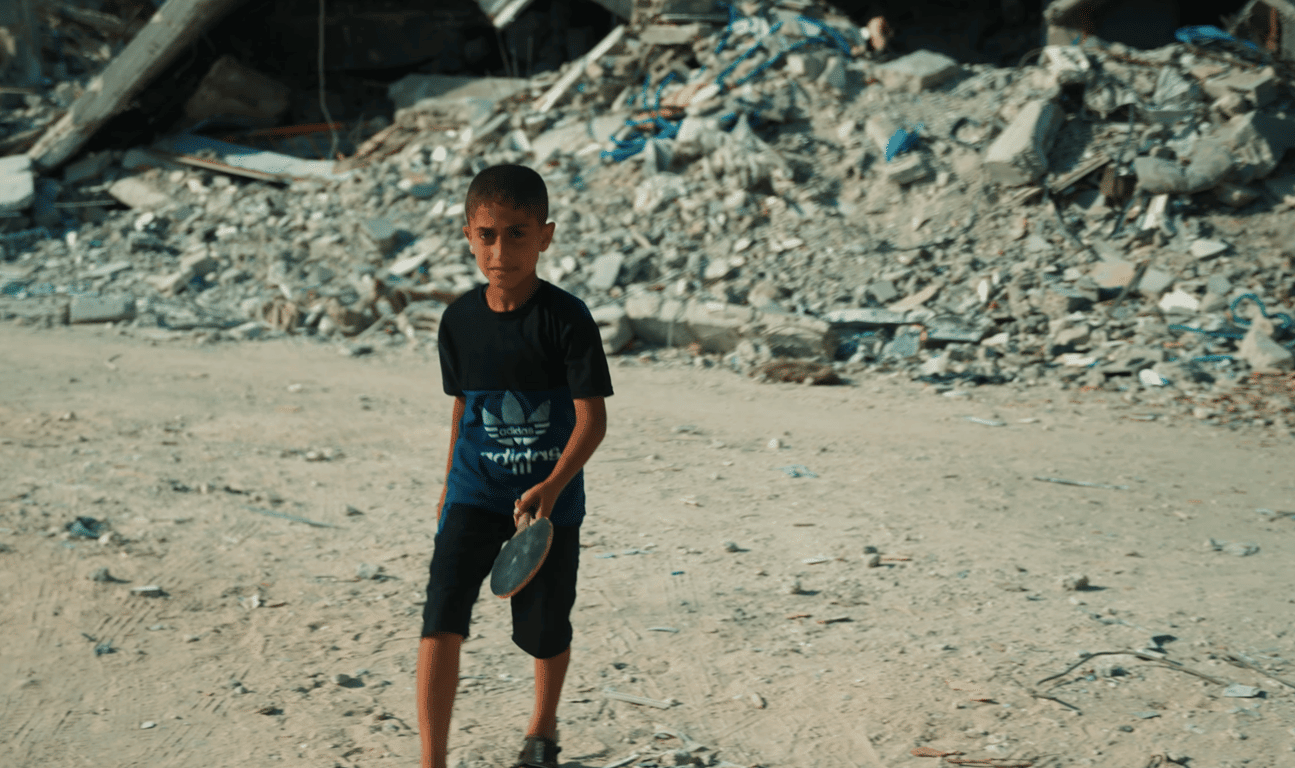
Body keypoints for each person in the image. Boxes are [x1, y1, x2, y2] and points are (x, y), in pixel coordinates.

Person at [417, 164, 613, 768]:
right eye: (487, 234)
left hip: (547, 510)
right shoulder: (459, 322)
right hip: (474, 496)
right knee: (439, 621)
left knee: (544, 629)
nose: (501, 251)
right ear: (468, 234)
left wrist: (552, 488)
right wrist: (450, 489)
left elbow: (592, 421)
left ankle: (542, 731)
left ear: (546, 236)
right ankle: (432, 761)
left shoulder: (566, 318)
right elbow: (464, 410)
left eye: (518, 234)